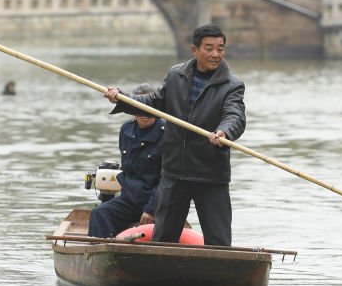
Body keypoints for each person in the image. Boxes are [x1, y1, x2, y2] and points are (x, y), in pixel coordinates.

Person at [104, 24, 245, 246]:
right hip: (174, 173)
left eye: (220, 48)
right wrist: (122, 98)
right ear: (194, 50)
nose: (216, 54)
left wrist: (224, 131)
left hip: (210, 174)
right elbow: (154, 103)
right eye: (209, 48)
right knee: (164, 238)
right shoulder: (176, 75)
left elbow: (235, 115)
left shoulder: (232, 85)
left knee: (218, 241)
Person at [88, 84, 166, 238]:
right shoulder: (126, 130)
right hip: (129, 199)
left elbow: (166, 179)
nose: (145, 113)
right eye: (140, 108)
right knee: (99, 214)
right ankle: (99, 253)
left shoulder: (167, 133)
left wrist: (151, 209)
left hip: (156, 203)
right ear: (132, 109)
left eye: (150, 107)